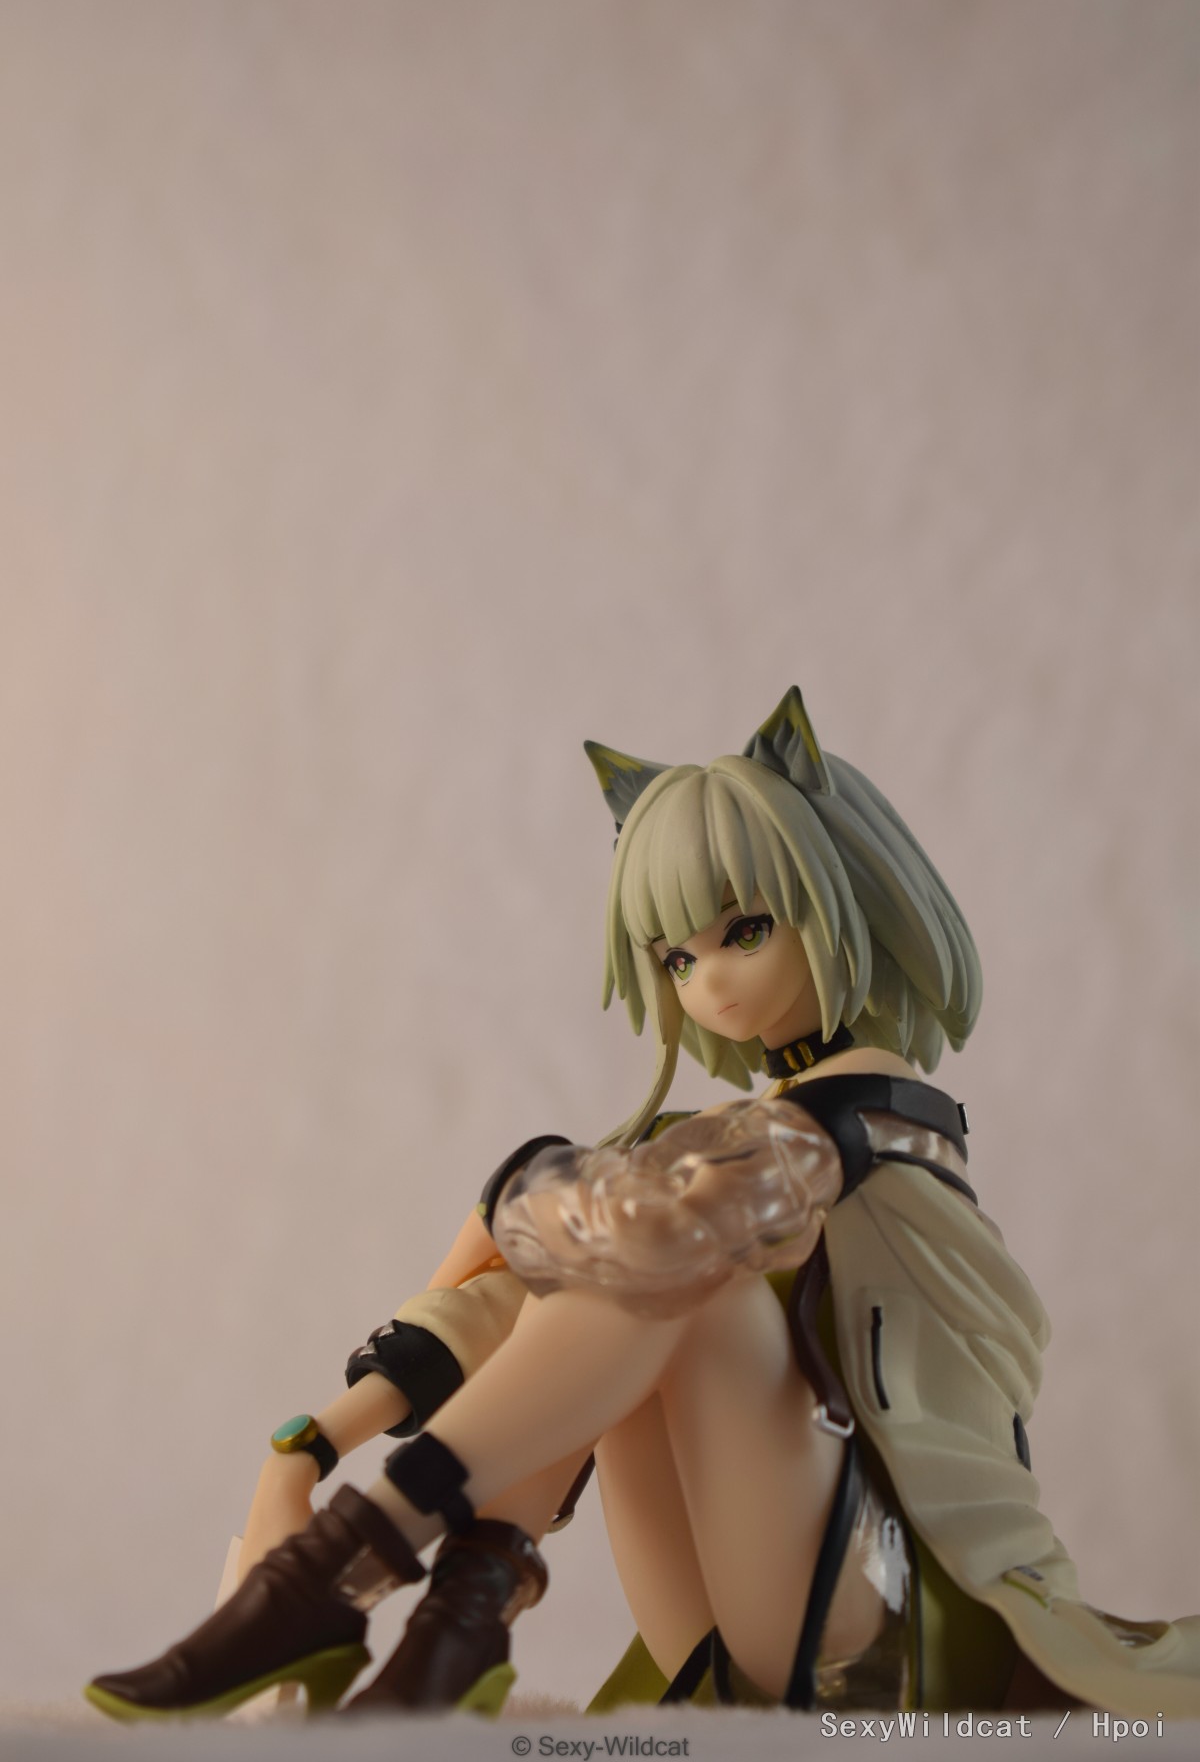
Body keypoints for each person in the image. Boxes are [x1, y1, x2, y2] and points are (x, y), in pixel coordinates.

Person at [86, 688, 1200, 1721]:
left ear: (846, 901)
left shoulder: (874, 1113)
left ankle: (331, 1581)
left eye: (746, 931)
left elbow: (655, 1241)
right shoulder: (717, 1146)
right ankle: (450, 1624)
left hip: (886, 1626)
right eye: (675, 956)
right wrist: (314, 1440)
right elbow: (512, 1298)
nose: (709, 982)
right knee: (630, 1266)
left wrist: (525, 1183)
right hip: (724, 1617)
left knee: (685, 1280)